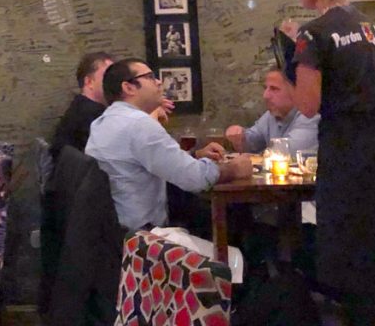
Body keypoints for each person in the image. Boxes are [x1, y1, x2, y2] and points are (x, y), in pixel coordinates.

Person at [285, 0, 375, 324]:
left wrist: (291, 57)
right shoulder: (369, 28)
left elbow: (307, 104)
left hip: (344, 146)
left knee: (343, 243)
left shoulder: (313, 34)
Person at [85, 58, 252, 231]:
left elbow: (150, 162)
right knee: (234, 249)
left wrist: (194, 157)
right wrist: (234, 169)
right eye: (150, 77)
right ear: (128, 88)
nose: (158, 82)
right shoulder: (139, 124)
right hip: (144, 240)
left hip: (114, 233)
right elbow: (195, 179)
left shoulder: (102, 122)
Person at [224, 70, 319, 154]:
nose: (265, 95)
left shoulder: (310, 116)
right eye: (266, 88)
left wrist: (261, 153)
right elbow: (253, 141)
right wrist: (239, 136)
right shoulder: (271, 115)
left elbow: (289, 153)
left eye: (274, 89)